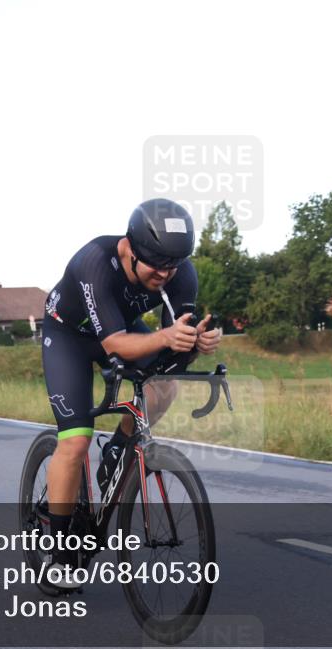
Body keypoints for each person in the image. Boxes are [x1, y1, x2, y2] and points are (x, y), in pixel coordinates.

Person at [40, 198, 222, 588]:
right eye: (156, 264)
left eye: (173, 265)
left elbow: (173, 356)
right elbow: (115, 345)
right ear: (129, 247)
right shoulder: (93, 261)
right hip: (70, 337)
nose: (165, 274)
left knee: (164, 387)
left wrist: (196, 343)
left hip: (122, 331)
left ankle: (119, 449)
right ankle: (58, 550)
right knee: (74, 442)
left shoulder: (180, 274)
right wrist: (165, 337)